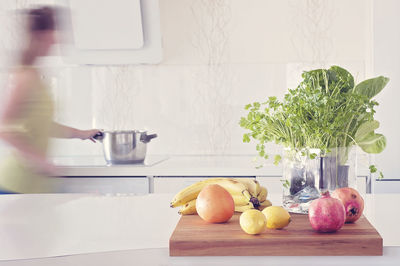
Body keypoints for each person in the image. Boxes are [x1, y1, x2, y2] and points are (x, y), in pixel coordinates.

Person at [0, 6, 100, 193]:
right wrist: (40, 161)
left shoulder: (35, 74)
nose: (57, 39)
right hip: (16, 183)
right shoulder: (25, 76)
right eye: (54, 32)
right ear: (40, 35)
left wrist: (81, 134)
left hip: (35, 184)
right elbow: (3, 128)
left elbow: (43, 124)